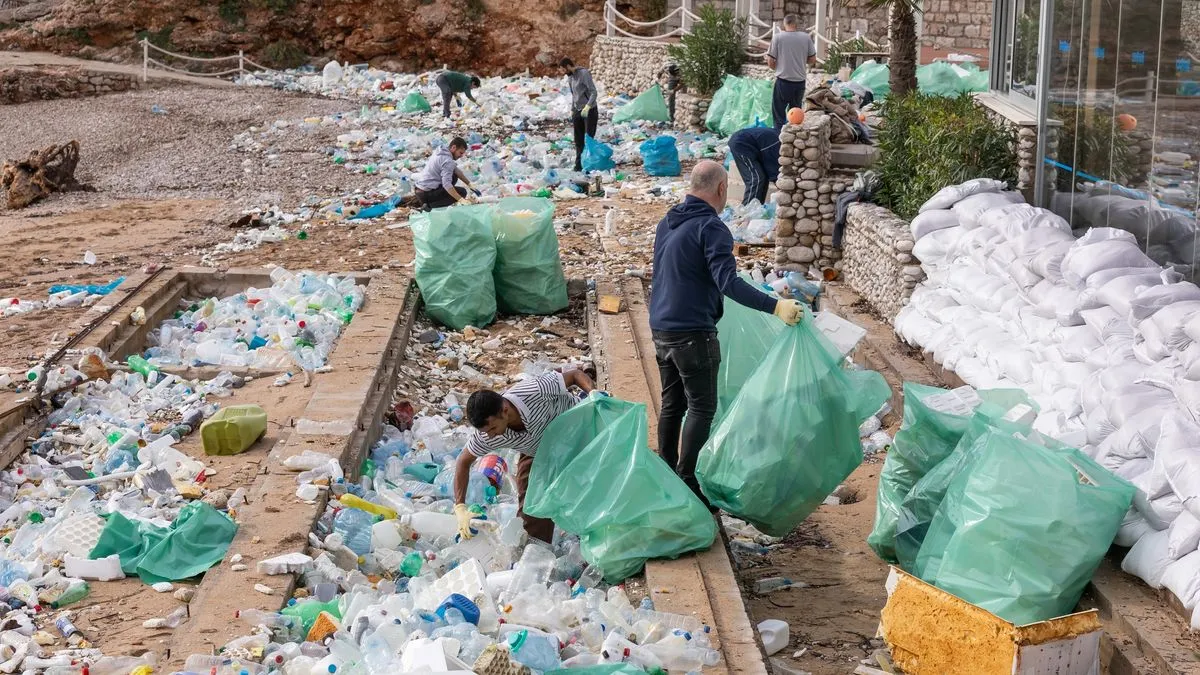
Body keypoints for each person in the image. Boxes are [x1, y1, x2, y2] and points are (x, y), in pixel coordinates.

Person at [649, 160, 803, 509]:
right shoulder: (711, 227)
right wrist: (775, 307)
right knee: (702, 407)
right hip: (693, 332)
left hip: (661, 327)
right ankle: (688, 484)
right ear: (721, 189)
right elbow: (728, 282)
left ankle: (665, 472)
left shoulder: (668, 221)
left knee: (673, 404)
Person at [452, 368, 600, 544]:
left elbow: (575, 375)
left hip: (576, 433)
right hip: (540, 452)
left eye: (492, 428)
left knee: (591, 487)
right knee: (532, 507)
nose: (490, 436)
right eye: (486, 431)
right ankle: (536, 550)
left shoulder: (534, 390)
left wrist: (594, 394)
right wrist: (460, 507)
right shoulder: (487, 434)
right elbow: (463, 462)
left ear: (505, 410)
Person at [766, 14, 816, 130]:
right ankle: (793, 137)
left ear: (784, 24)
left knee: (778, 114)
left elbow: (770, 61)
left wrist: (778, 68)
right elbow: (813, 59)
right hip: (799, 82)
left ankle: (778, 136)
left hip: (783, 82)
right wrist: (800, 60)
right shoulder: (806, 38)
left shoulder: (778, 38)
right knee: (795, 116)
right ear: (796, 24)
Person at [413, 137, 479, 210]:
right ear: (453, 147)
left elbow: (456, 170)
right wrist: (461, 199)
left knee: (454, 175)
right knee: (462, 192)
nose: (461, 156)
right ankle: (428, 206)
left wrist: (469, 184)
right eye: (460, 153)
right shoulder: (447, 161)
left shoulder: (440, 150)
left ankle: (429, 202)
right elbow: (446, 184)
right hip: (426, 194)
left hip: (420, 191)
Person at [561, 57, 599, 172]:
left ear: (568, 66)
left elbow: (593, 92)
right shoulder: (570, 78)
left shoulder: (584, 73)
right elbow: (574, 96)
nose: (562, 72)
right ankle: (578, 165)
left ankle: (588, 165)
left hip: (589, 110)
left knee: (588, 139)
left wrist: (588, 106)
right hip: (578, 111)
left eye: (563, 69)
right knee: (578, 140)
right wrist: (573, 110)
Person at [728, 126, 781, 206]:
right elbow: (773, 171)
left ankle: (758, 207)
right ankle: (748, 209)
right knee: (756, 178)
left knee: (763, 178)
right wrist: (783, 187)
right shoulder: (777, 144)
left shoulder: (778, 139)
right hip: (741, 144)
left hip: (751, 144)